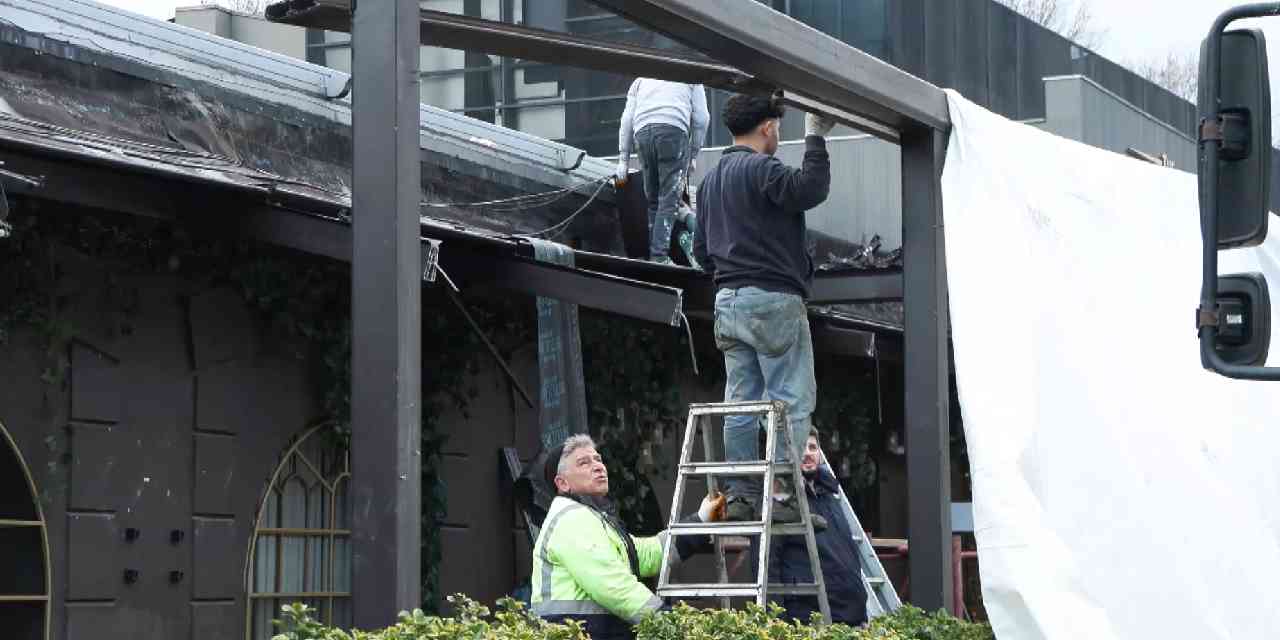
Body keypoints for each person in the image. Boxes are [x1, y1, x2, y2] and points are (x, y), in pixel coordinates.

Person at [692, 93, 837, 523]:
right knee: (790, 399)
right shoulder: (761, 169)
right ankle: (785, 496)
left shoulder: (710, 182)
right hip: (772, 299)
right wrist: (815, 137)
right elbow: (809, 189)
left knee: (741, 402)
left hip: (728, 302)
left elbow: (701, 251)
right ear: (768, 127)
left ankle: (741, 495)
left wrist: (731, 273)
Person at [530, 434, 722, 640]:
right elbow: (613, 586)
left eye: (597, 459)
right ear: (562, 483)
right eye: (584, 463)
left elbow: (645, 554)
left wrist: (701, 519)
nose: (598, 467)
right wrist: (667, 622)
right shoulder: (572, 518)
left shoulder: (592, 518)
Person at [770, 431, 869, 626]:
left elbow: (848, 557)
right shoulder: (780, 499)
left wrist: (861, 613)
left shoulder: (829, 496)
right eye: (801, 447)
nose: (807, 453)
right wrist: (776, 623)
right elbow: (767, 564)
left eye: (813, 447)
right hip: (809, 622)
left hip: (850, 619)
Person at [616, 78, 710, 264]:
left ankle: (655, 255)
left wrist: (623, 159)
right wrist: (693, 154)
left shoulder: (640, 81)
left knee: (653, 200)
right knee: (669, 199)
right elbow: (702, 118)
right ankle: (659, 257)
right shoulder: (691, 75)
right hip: (673, 131)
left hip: (642, 133)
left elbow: (627, 119)